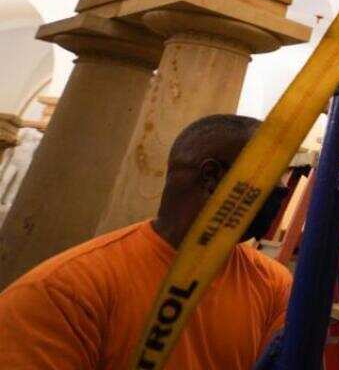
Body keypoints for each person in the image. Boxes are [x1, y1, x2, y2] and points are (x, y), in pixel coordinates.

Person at [0, 114, 293, 369]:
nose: (280, 192)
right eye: (270, 177)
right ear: (211, 177)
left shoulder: (273, 284)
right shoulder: (64, 292)